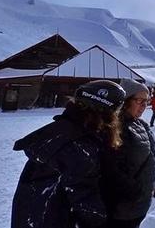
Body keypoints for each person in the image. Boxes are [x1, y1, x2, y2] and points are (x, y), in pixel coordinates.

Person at [11, 80, 126, 228]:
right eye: (116, 112)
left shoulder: (61, 131)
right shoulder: (79, 145)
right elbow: (86, 201)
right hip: (54, 219)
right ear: (107, 112)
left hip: (32, 217)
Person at [101, 79, 155, 228]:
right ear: (125, 101)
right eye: (139, 101)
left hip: (137, 205)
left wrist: (149, 184)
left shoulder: (139, 124)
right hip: (123, 210)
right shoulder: (115, 128)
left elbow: (146, 158)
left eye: (146, 101)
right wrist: (136, 191)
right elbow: (111, 170)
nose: (144, 106)